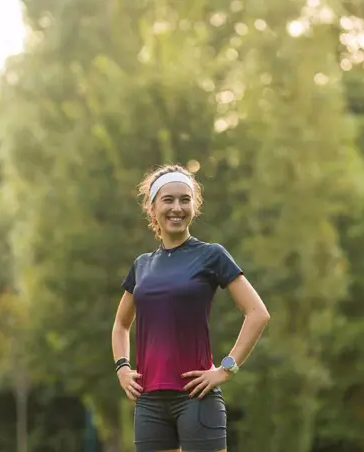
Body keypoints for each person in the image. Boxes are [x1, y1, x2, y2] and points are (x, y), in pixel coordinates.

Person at [111, 164, 271, 452]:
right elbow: (121, 324)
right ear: (152, 207)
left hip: (196, 398)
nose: (177, 208)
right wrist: (123, 367)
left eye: (185, 200)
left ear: (194, 207)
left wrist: (227, 368)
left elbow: (258, 313)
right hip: (148, 402)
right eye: (168, 199)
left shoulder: (211, 255)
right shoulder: (142, 265)